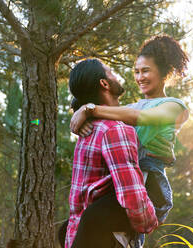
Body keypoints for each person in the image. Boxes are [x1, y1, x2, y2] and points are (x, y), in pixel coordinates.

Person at [70, 34, 189, 247]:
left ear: (163, 73)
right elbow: (106, 105)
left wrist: (90, 110)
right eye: (137, 71)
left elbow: (141, 118)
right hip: (131, 179)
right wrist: (79, 110)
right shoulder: (132, 106)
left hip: (151, 183)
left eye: (146, 71)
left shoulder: (174, 106)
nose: (140, 77)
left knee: (95, 218)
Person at [64, 59, 158, 248]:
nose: (117, 76)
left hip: (75, 237)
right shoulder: (115, 130)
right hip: (104, 239)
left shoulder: (88, 130)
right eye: (111, 72)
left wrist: (85, 109)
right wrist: (149, 222)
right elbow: (132, 194)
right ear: (104, 83)